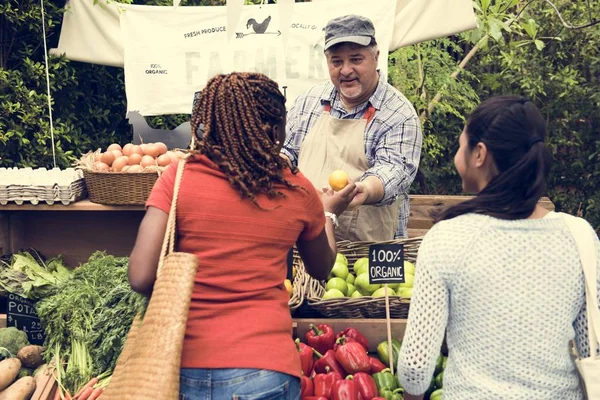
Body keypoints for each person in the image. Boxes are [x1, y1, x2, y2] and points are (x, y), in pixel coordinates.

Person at [128, 72, 358, 400]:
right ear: (278, 129)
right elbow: (322, 268)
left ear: (211, 124)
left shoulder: (178, 178)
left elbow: (140, 276)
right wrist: (329, 212)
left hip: (180, 368)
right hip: (267, 371)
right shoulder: (297, 189)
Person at [397, 96, 600, 399]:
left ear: (479, 153)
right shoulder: (579, 235)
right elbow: (590, 346)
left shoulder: (447, 238)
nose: (457, 154)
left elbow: (415, 368)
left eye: (459, 144)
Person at [281, 14, 422, 242]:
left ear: (376, 57)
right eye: (337, 61)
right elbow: (287, 151)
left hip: (369, 252)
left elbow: (393, 170)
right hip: (307, 243)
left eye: (356, 59)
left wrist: (363, 190)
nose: (346, 70)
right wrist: (275, 164)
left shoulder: (399, 113)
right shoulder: (309, 101)